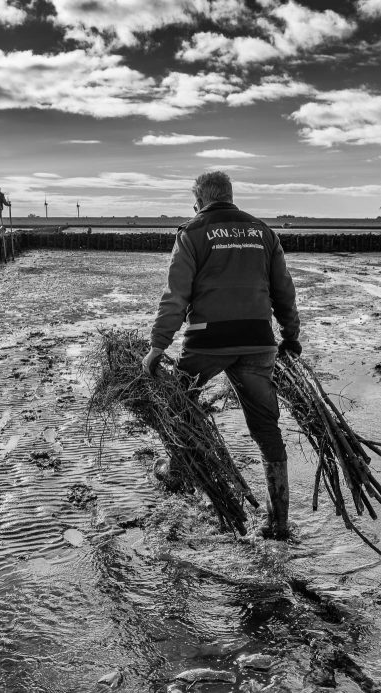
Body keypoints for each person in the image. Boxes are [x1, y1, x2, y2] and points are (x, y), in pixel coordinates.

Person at [141, 170, 301, 540]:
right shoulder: (264, 232)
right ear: (230, 196)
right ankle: (278, 523)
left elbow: (175, 297)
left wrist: (157, 347)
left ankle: (180, 470)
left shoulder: (192, 232)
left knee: (177, 405)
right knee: (266, 431)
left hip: (206, 343)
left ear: (199, 200)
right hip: (258, 341)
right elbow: (284, 292)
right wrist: (290, 337)